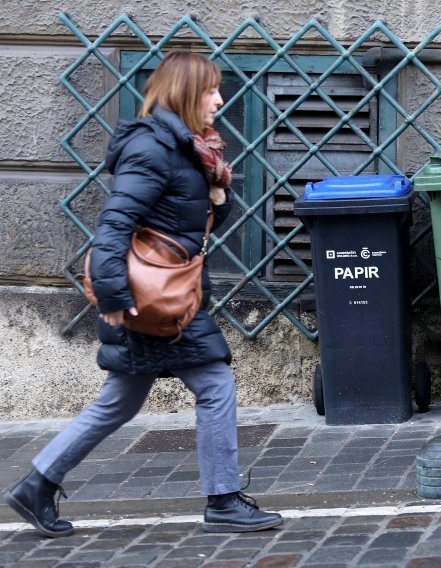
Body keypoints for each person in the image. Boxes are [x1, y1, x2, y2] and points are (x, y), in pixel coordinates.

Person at [4, 51, 283, 537]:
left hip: (168, 294)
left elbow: (191, 222)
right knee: (214, 386)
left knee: (120, 401)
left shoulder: (191, 150)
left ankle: (37, 484)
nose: (220, 98)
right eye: (211, 90)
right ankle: (222, 500)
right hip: (153, 299)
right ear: (186, 94)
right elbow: (114, 225)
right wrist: (112, 298)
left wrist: (220, 195)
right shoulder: (153, 148)